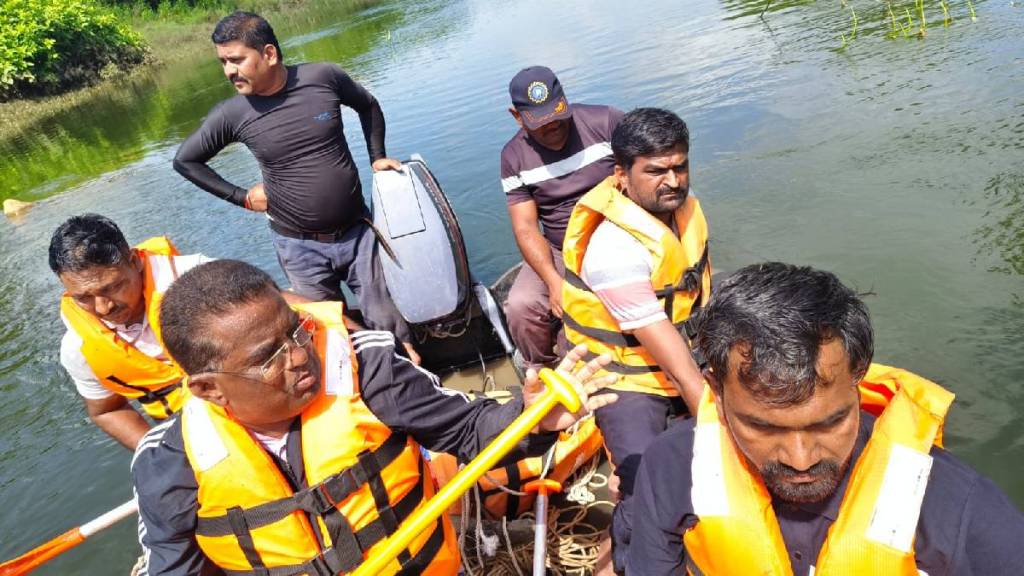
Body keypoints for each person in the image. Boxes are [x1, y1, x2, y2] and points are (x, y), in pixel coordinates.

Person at [131, 259, 617, 575]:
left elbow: (469, 430)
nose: (300, 355)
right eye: (270, 356)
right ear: (208, 389)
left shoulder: (369, 371)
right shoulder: (167, 462)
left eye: (297, 330)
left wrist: (530, 418)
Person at [627, 262, 1024, 575]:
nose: (801, 459)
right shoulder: (673, 466)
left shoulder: (960, 511)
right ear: (715, 390)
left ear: (858, 378)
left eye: (828, 423)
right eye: (763, 426)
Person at [172, 11, 420, 364]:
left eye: (237, 59)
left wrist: (377, 157)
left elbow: (368, 105)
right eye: (223, 62)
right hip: (299, 248)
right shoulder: (232, 114)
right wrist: (240, 197)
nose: (229, 71)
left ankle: (411, 377)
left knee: (392, 325)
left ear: (269, 54)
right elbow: (186, 161)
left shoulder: (323, 78)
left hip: (358, 234)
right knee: (328, 336)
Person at [560, 107, 711, 571]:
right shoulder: (613, 248)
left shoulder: (679, 211)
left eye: (679, 166)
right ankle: (628, 560)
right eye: (656, 171)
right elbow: (668, 350)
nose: (673, 181)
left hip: (681, 356)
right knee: (644, 485)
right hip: (627, 382)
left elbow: (699, 292)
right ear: (621, 175)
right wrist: (710, 407)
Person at [500, 66, 623, 370]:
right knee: (521, 306)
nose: (553, 126)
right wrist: (554, 282)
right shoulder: (513, 157)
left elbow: (650, 171)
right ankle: (543, 371)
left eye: (557, 115)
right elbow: (526, 227)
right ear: (517, 116)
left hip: (619, 231)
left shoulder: (606, 122)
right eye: (540, 123)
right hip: (560, 247)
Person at [51, 214, 209, 449]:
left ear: (135, 261)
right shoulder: (78, 348)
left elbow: (281, 307)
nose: (104, 307)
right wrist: (161, 453)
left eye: (113, 287)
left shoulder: (201, 280)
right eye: (83, 298)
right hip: (188, 432)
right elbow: (107, 409)